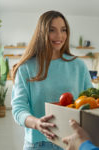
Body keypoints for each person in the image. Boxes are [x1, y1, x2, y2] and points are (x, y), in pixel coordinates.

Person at [11, 10, 92, 150]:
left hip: (72, 143)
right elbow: (18, 109)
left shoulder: (79, 66)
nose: (59, 36)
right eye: (52, 30)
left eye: (63, 30)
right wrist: (36, 123)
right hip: (38, 144)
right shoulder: (26, 68)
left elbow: (90, 104)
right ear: (41, 33)